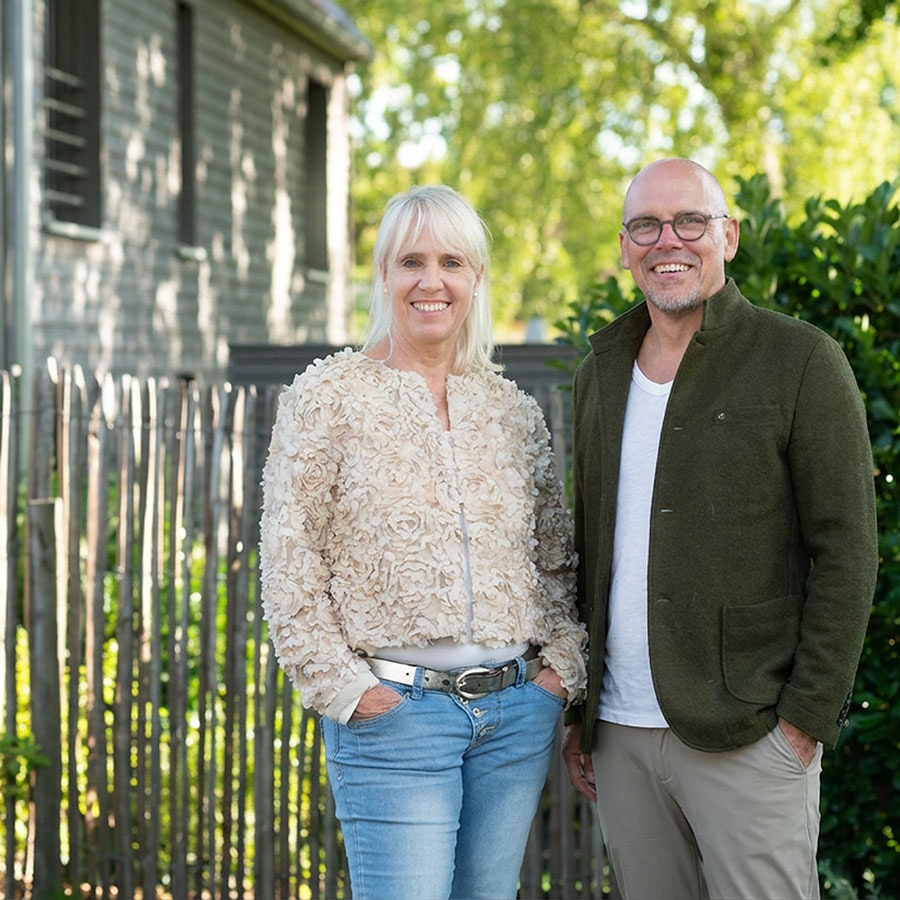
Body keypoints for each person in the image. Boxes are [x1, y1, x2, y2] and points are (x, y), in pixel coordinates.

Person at [562, 158, 878, 899]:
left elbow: (847, 549)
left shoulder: (801, 360)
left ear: (728, 236)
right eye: (646, 225)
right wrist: (582, 712)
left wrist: (804, 719)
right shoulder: (599, 372)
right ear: (624, 246)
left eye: (690, 221)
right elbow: (588, 550)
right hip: (620, 733)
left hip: (750, 732)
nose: (667, 240)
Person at [260, 184, 587, 900]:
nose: (431, 281)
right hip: (395, 721)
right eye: (411, 261)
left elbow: (556, 561)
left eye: (451, 262)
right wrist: (348, 691)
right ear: (384, 273)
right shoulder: (328, 399)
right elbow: (289, 563)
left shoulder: (512, 411)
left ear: (476, 278)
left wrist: (558, 674)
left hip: (514, 718)